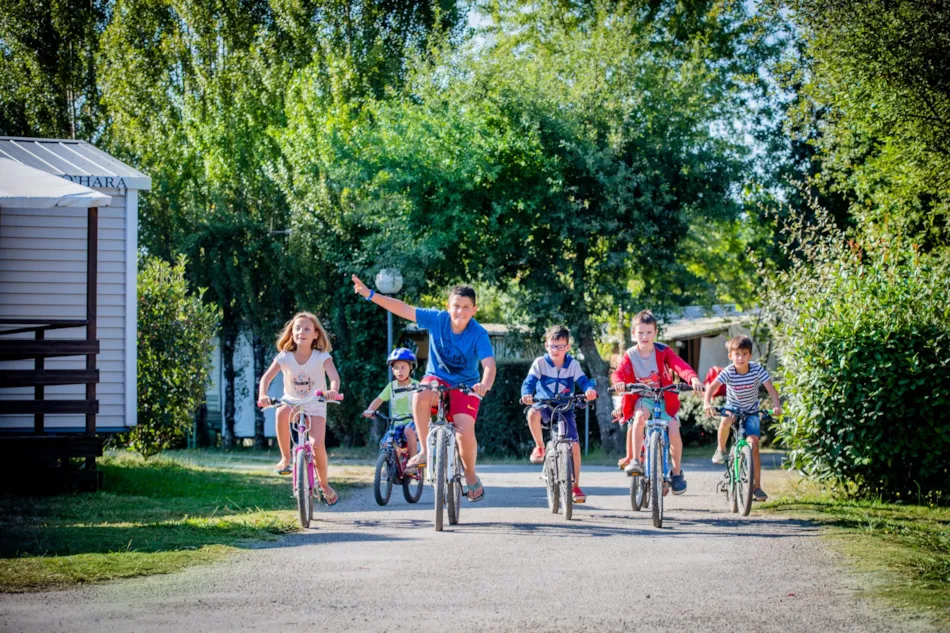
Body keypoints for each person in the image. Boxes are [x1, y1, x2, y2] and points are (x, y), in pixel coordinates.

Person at [351, 274, 496, 502]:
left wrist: (484, 385)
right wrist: (370, 294)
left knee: (464, 431)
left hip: (465, 386)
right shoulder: (437, 319)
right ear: (448, 307)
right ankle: (426, 451)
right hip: (436, 379)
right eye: (456, 306)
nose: (460, 311)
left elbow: (489, 365)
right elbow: (402, 308)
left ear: (474, 310)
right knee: (420, 394)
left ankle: (469, 474)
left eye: (466, 307)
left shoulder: (478, 334)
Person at [611, 310, 702, 495]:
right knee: (638, 419)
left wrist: (692, 379)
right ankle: (636, 460)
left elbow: (679, 365)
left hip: (664, 398)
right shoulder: (630, 354)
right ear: (633, 334)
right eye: (640, 332)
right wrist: (618, 383)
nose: (644, 336)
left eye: (648, 332)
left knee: (674, 427)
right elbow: (618, 373)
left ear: (656, 332)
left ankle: (676, 474)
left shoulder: (663, 351)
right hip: (643, 398)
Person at [257, 311, 340, 505]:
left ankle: (324, 484)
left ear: (315, 335)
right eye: (297, 328)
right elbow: (266, 378)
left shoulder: (322, 357)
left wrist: (332, 390)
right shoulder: (285, 357)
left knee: (317, 444)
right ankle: (286, 458)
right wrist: (263, 395)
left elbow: (334, 377)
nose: (301, 331)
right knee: (281, 411)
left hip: (316, 404)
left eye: (307, 328)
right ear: (291, 333)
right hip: (292, 402)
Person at [520, 325, 598, 503]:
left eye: (561, 346)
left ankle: (575, 486)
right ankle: (539, 446)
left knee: (575, 446)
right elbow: (529, 382)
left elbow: (584, 381)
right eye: (553, 346)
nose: (556, 350)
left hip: (565, 407)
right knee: (532, 413)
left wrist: (589, 390)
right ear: (546, 345)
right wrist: (527, 393)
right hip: (545, 404)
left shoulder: (573, 364)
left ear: (568, 347)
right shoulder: (540, 363)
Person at [703, 335, 782, 502]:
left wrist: (776, 405)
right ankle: (721, 449)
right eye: (737, 354)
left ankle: (757, 488)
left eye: (744, 354)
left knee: (754, 446)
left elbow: (770, 388)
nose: (740, 358)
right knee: (725, 421)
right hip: (732, 408)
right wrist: (706, 403)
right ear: (730, 356)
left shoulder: (756, 369)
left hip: (751, 411)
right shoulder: (729, 371)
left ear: (750, 356)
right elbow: (711, 387)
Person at [362, 348, 421, 465]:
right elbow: (379, 400)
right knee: (386, 443)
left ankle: (413, 462)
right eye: (396, 368)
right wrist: (370, 410)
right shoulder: (392, 386)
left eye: (403, 367)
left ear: (411, 368)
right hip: (396, 423)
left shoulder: (417, 385)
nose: (399, 371)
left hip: (412, 422)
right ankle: (389, 466)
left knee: (409, 431)